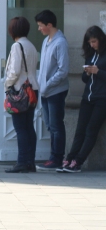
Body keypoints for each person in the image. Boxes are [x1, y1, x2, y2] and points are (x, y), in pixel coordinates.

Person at [60, 26, 106, 173]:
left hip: (102, 98)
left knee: (91, 130)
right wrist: (87, 72)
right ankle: (69, 158)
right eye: (89, 42)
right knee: (80, 130)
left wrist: (98, 71)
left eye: (94, 41)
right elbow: (84, 79)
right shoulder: (91, 54)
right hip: (87, 97)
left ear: (100, 39)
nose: (92, 45)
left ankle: (78, 161)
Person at [3, 16, 39, 173]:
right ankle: (30, 161)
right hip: (32, 89)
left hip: (20, 89)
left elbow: (15, 70)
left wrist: (7, 84)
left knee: (20, 128)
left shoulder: (17, 46)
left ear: (13, 30)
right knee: (29, 126)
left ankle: (22, 161)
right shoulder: (30, 45)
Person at [34, 10, 69, 172]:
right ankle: (53, 157)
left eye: (41, 26)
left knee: (56, 126)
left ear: (49, 25)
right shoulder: (46, 41)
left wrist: (47, 85)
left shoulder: (60, 42)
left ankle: (57, 158)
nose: (39, 29)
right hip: (45, 91)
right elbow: (43, 68)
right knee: (50, 125)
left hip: (55, 91)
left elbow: (63, 71)